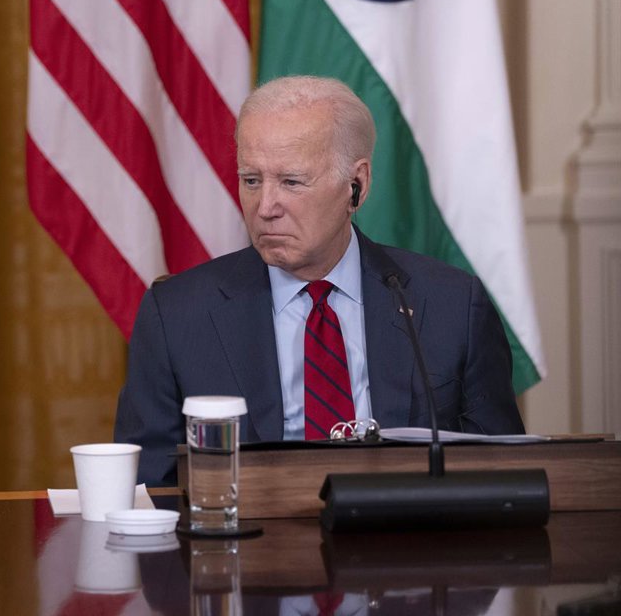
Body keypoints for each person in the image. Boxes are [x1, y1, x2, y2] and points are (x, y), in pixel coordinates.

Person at [114, 76, 525, 486]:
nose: (265, 207)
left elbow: (502, 478)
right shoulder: (177, 316)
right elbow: (151, 489)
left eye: (291, 182)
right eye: (251, 180)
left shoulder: (453, 305)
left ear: (357, 185)